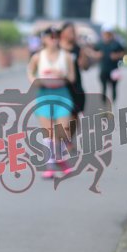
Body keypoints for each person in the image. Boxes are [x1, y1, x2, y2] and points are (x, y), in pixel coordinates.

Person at [27, 26, 76, 179]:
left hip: (62, 94)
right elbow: (30, 72)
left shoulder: (66, 56)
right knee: (48, 132)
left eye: (56, 37)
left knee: (61, 131)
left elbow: (72, 77)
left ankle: (60, 158)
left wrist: (62, 74)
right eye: (50, 37)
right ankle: (50, 166)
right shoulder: (38, 57)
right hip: (44, 94)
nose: (53, 40)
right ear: (44, 39)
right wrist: (35, 80)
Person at [59, 21, 93, 144]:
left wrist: (84, 55)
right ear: (62, 33)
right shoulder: (56, 48)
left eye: (73, 31)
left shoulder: (78, 49)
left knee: (74, 116)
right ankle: (61, 140)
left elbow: (85, 67)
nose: (71, 34)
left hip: (75, 87)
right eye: (69, 31)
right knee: (62, 116)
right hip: (60, 87)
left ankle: (68, 140)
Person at [96, 26, 125, 104]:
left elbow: (123, 53)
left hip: (114, 69)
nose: (107, 36)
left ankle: (113, 103)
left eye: (108, 34)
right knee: (103, 87)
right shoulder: (100, 44)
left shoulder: (116, 43)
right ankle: (104, 104)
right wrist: (97, 55)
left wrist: (117, 56)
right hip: (103, 69)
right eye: (105, 34)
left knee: (113, 87)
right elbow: (93, 52)